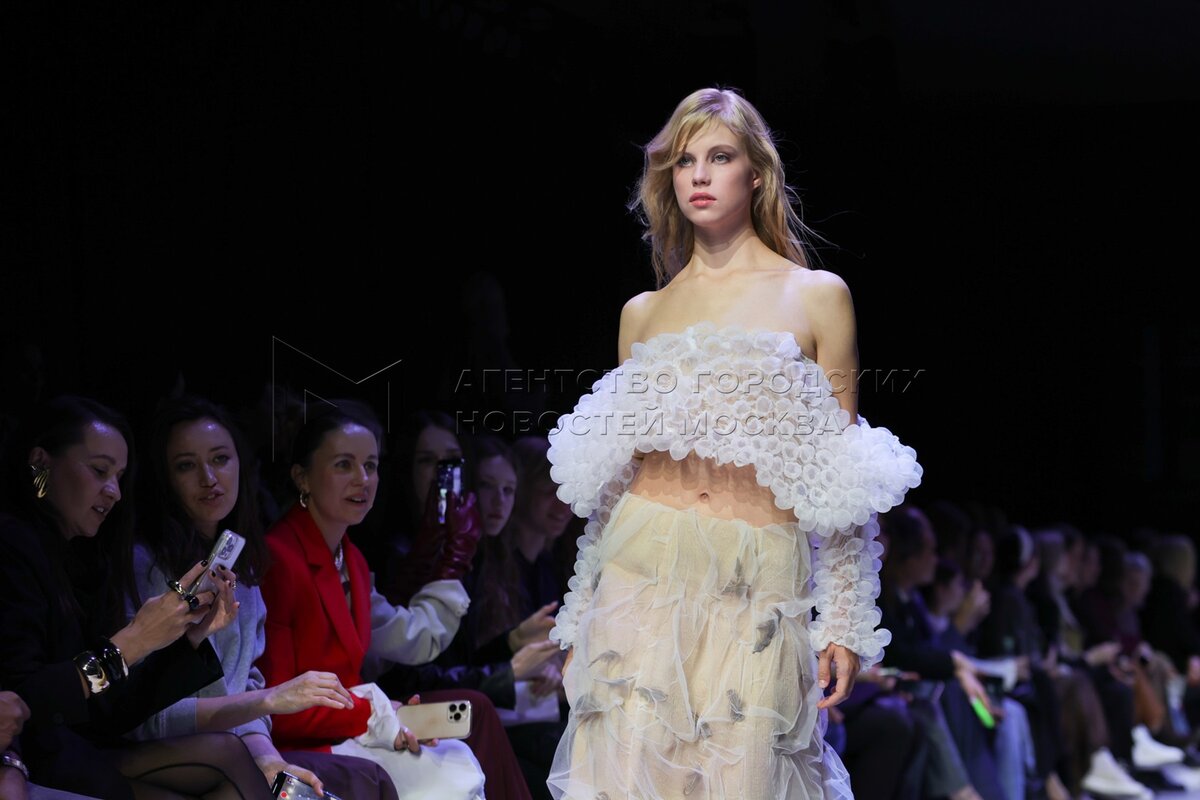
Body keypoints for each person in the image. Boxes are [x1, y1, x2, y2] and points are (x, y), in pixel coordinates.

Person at [544, 87, 923, 798]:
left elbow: (840, 473)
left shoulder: (817, 295)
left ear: (756, 174)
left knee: (745, 777)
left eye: (719, 157)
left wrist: (843, 620)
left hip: (759, 581)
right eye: (685, 161)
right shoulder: (643, 312)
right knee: (627, 778)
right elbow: (617, 483)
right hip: (641, 571)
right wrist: (579, 618)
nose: (699, 175)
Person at [128, 395, 400, 799]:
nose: (209, 477)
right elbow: (146, 716)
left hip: (238, 752)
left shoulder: (247, 571)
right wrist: (272, 704)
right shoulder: (146, 567)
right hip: (172, 753)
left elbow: (248, 694)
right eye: (186, 465)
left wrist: (269, 759)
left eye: (220, 459)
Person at [0, 395, 267, 799]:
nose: (114, 492)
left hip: (80, 749)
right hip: (39, 756)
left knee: (226, 756)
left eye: (120, 476)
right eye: (99, 470)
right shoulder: (13, 545)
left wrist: (189, 639)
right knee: (224, 757)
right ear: (41, 462)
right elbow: (27, 701)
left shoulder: (82, 557)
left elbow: (110, 711)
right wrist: (131, 643)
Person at [256, 399, 487, 799]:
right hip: (299, 748)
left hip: (340, 733)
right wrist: (374, 716)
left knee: (456, 757)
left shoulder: (355, 562)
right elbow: (275, 705)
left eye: (371, 465)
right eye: (344, 465)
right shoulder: (278, 557)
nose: (362, 479)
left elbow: (349, 683)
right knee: (450, 778)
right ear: (302, 477)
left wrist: (389, 712)